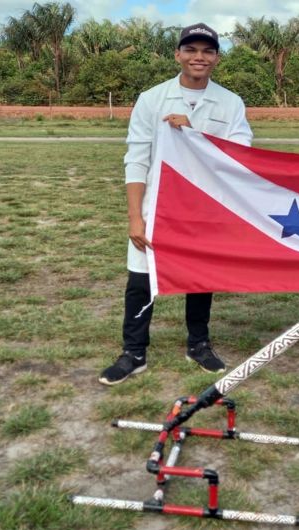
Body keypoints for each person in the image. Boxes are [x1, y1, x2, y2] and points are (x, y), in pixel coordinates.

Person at [100, 23, 253, 385]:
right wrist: (135, 216)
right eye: (191, 49)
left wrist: (194, 133)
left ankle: (198, 344)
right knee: (141, 277)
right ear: (178, 54)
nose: (199, 57)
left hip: (206, 208)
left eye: (207, 51)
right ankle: (133, 352)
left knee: (200, 276)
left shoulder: (230, 103)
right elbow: (137, 159)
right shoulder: (152, 99)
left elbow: (240, 156)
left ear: (216, 57)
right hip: (159, 205)